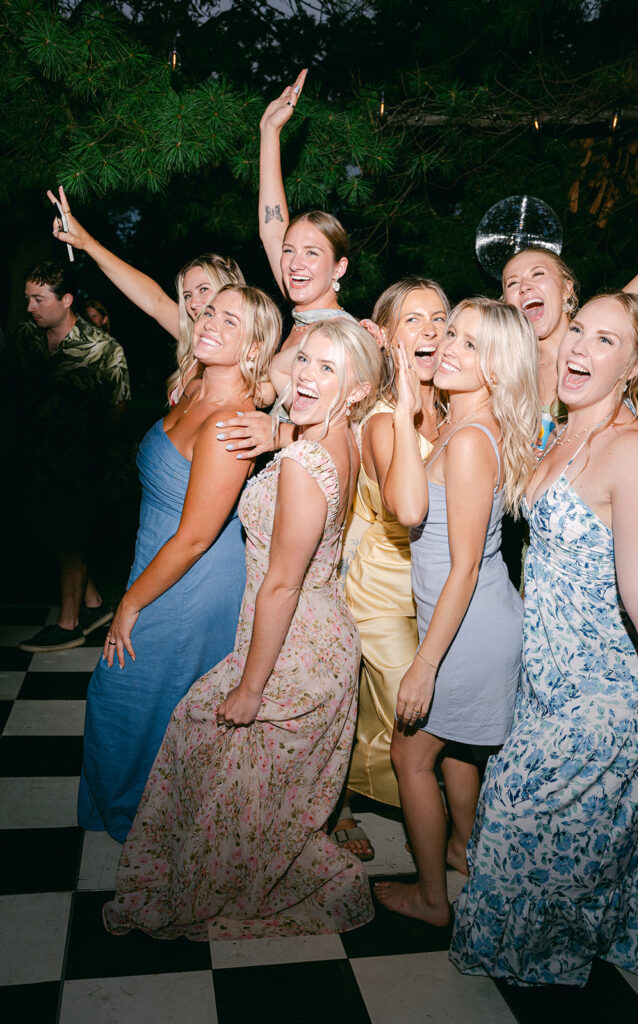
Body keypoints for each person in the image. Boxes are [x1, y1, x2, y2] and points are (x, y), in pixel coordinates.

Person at [103, 318, 383, 939]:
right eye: (304, 360)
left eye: (326, 369)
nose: (305, 376)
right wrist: (288, 413)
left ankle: (228, 880)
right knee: (254, 796)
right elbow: (281, 377)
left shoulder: (306, 463)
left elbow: (281, 584)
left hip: (295, 644)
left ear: (359, 388)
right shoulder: (344, 434)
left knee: (207, 738)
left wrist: (252, 688)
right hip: (321, 630)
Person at [451, 292, 638, 985]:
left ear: (634, 367)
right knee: (555, 842)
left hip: (604, 700)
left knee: (522, 831)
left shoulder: (632, 452)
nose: (581, 347)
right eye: (579, 331)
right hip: (545, 686)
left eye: (607, 342)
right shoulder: (560, 430)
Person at [79, 285, 282, 843]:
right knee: (135, 701)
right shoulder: (192, 387)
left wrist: (129, 602)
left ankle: (157, 829)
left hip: (190, 585)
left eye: (230, 320)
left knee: (131, 696)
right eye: (209, 311)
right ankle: (141, 818)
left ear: (255, 343)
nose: (210, 321)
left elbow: (194, 538)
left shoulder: (231, 424)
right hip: (155, 562)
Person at [374, 299, 539, 926]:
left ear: (497, 366)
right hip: (469, 618)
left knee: (409, 757)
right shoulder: (456, 423)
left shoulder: (469, 439)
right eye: (451, 335)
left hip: (468, 627)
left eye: (469, 344)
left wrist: (424, 666)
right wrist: (403, 397)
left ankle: (431, 897)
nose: (447, 348)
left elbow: (465, 567)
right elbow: (407, 505)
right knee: (459, 751)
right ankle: (464, 853)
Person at [334, 277, 450, 860]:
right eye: (413, 320)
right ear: (385, 337)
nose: (429, 330)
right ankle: (341, 803)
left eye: (438, 318)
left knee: (410, 705)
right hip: (379, 586)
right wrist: (407, 413)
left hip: (436, 589)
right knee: (396, 706)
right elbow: (408, 511)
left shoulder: (455, 404)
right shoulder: (382, 419)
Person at [11, 261, 131, 652]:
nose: (30, 307)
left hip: (84, 464)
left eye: (38, 299)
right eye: (28, 298)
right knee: (50, 533)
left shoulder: (102, 348)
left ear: (65, 300)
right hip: (34, 457)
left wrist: (93, 450)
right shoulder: (24, 338)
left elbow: (118, 405)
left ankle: (68, 624)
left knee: (69, 532)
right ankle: (94, 604)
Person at [501, 211, 638, 450]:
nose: (525, 286)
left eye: (538, 274)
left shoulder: (608, 331)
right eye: (513, 283)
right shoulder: (505, 371)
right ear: (506, 305)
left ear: (567, 288)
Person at [49, 186, 244, 404]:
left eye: (203, 289)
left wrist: (273, 424)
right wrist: (86, 243)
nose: (193, 303)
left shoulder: (246, 352)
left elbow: (268, 386)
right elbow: (155, 301)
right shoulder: (193, 338)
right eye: (186, 295)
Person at [259, 71, 355, 353]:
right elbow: (272, 229)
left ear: (339, 268)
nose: (294, 263)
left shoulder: (342, 336)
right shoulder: (305, 317)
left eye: (312, 252)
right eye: (288, 251)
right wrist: (269, 132)